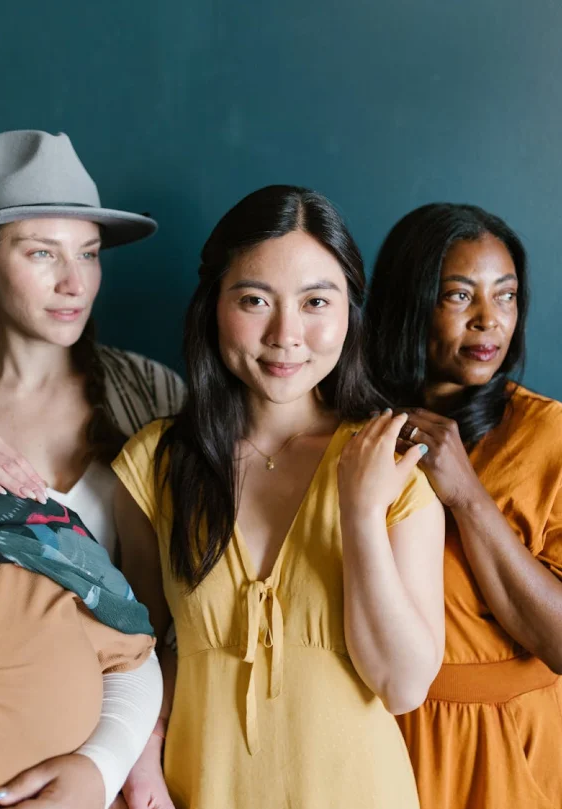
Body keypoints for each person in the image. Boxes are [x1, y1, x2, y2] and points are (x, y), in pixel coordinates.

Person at [113, 185, 445, 809]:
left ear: (350, 309)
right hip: (198, 789)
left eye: (317, 301)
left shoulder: (393, 465)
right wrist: (140, 763)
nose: (286, 334)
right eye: (255, 300)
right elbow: (134, 649)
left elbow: (401, 686)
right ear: (214, 306)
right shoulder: (156, 463)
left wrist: (360, 510)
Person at [0, 130, 184, 809]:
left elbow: (186, 607)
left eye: (88, 254)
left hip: (128, 764)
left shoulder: (155, 397)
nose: (75, 283)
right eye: (43, 253)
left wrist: (127, 757)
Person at [365, 202, 562, 809]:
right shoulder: (352, 432)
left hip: (510, 745)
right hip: (377, 734)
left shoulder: (549, 436)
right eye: (459, 296)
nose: (489, 321)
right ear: (408, 302)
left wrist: (466, 494)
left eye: (505, 297)